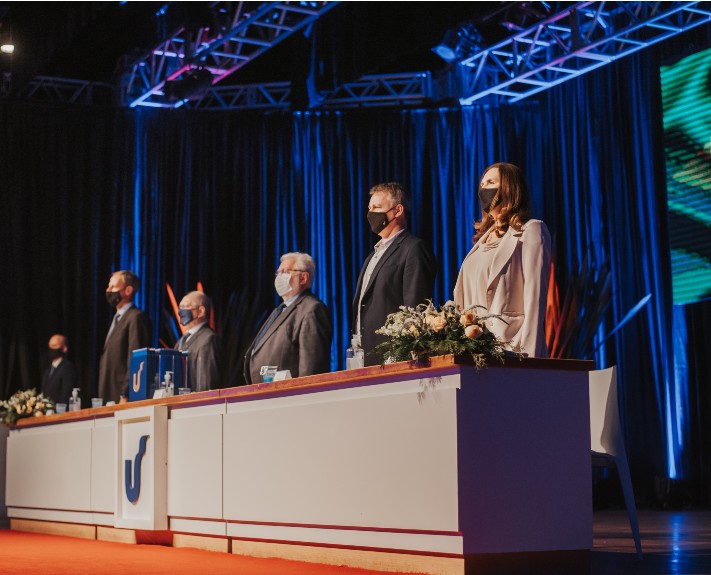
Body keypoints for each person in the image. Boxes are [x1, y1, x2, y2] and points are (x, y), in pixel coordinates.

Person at [453, 162, 551, 357]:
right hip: (476, 350)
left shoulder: (530, 230)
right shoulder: (480, 242)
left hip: (512, 346)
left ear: (509, 188)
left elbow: (535, 297)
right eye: (482, 185)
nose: (483, 189)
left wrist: (530, 356)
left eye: (490, 182)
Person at [353, 182, 437, 365]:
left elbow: (416, 308)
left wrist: (406, 350)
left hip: (395, 356)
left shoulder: (413, 249)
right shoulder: (371, 256)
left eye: (377, 207)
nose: (370, 214)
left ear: (398, 210)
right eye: (369, 208)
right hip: (366, 354)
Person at [244, 252, 332, 384]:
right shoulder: (281, 309)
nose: (279, 277)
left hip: (290, 398)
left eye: (285, 272)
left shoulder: (312, 309)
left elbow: (311, 369)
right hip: (266, 395)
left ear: (303, 278)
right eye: (278, 272)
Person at [98, 270, 152, 403]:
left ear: (128, 290)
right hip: (108, 391)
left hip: (122, 395)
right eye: (108, 286)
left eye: (113, 287)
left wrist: (126, 392)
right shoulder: (117, 318)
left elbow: (135, 357)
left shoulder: (135, 317)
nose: (108, 290)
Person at [174, 290, 225, 391]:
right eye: (180, 307)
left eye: (186, 307)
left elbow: (207, 383)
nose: (180, 312)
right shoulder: (181, 341)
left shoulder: (208, 339)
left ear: (201, 311)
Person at [41, 334, 79, 404]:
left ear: (64, 348)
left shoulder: (68, 368)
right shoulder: (48, 370)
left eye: (54, 346)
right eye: (49, 346)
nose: (51, 348)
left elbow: (66, 395)